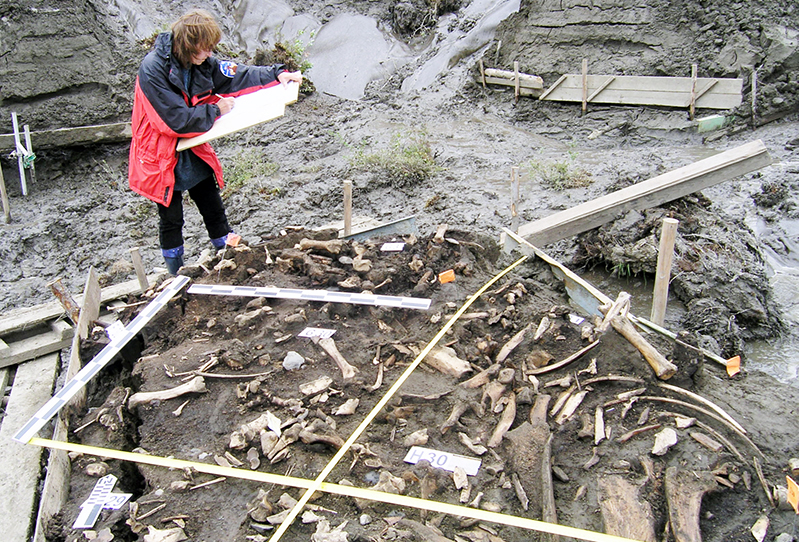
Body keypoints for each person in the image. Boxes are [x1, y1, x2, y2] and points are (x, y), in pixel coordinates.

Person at [128, 9, 302, 274]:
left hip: (193, 145)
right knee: (171, 219)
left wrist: (276, 74)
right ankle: (176, 274)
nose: (210, 54)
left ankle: (228, 261)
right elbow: (175, 120)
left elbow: (236, 74)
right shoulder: (152, 69)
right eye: (205, 49)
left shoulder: (201, 63)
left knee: (212, 204)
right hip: (161, 153)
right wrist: (216, 110)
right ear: (188, 45)